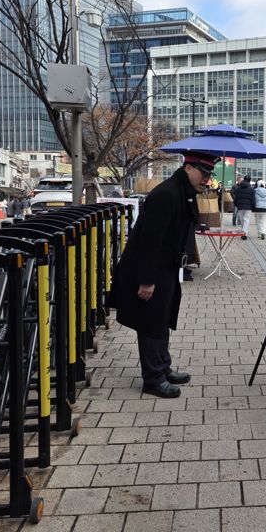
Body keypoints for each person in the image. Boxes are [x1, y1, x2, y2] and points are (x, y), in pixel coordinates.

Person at [110, 151, 218, 399]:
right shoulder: (166, 194)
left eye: (209, 175)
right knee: (150, 322)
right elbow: (150, 241)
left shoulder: (183, 192)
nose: (206, 179)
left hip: (166, 267)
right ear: (188, 168)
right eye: (203, 173)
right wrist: (147, 280)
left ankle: (163, 366)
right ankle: (153, 378)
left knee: (162, 319)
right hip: (150, 269)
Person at [233, 174, 255, 239]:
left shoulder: (238, 188)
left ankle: (243, 233)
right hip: (248, 207)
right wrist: (253, 208)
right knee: (246, 220)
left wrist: (236, 204)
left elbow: (236, 198)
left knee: (242, 220)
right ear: (249, 181)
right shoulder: (251, 189)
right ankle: (244, 234)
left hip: (240, 206)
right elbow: (253, 199)